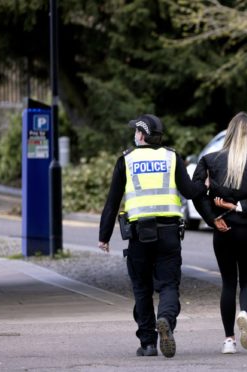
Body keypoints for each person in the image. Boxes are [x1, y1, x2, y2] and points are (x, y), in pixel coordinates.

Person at [97, 114, 208, 358]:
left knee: (142, 288)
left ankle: (148, 343)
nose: (134, 135)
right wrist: (204, 182)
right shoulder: (171, 157)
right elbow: (190, 191)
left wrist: (104, 236)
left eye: (136, 131)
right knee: (169, 284)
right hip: (169, 233)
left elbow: (112, 202)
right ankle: (166, 319)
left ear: (142, 135)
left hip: (139, 236)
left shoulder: (125, 160)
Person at [192, 112, 247, 354]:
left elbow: (198, 194)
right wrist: (241, 206)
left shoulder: (210, 160)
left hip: (223, 230)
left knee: (228, 283)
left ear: (228, 132)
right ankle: (244, 313)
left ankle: (229, 340)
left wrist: (212, 218)